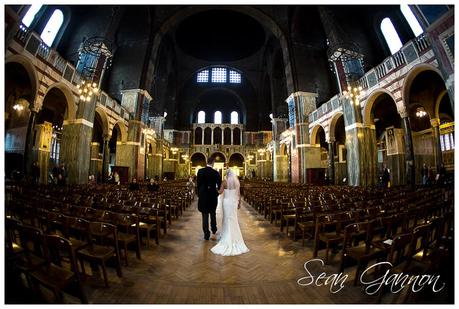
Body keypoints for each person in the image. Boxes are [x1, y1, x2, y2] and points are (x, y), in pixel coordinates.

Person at [211, 169, 249, 256]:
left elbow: (220, 192)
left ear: (226, 175)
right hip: (233, 202)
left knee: (226, 218)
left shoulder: (224, 182)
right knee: (233, 218)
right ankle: (235, 237)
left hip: (226, 202)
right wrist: (239, 203)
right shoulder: (236, 182)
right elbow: (239, 194)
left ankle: (226, 235)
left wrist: (213, 189)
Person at [197, 156, 222, 241]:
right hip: (212, 196)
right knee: (213, 213)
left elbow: (198, 185)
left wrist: (199, 194)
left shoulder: (200, 171)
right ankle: (214, 230)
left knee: (204, 215)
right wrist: (216, 193)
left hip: (203, 196)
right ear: (213, 163)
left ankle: (206, 234)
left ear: (206, 162)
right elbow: (219, 186)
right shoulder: (216, 173)